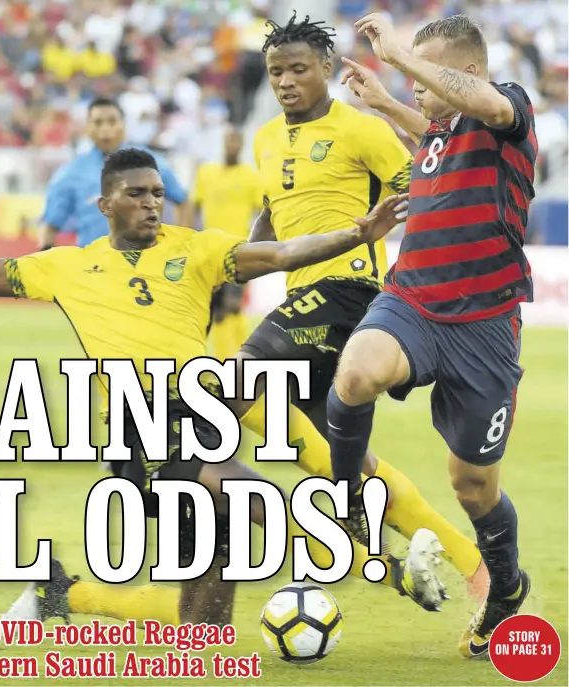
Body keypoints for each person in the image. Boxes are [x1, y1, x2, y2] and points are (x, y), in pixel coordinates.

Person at [0, 135, 444, 628]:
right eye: (136, 194)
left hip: (202, 421)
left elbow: (279, 254)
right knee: (247, 491)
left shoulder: (195, 249)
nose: (151, 203)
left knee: (204, 627)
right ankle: (393, 569)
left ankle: (57, 593)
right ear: (104, 206)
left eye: (158, 193)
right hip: (141, 426)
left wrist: (357, 233)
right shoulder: (67, 265)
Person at [226, 12, 488, 597]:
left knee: (232, 381)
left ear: (326, 69)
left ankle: (177, 468)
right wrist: (241, 257)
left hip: (347, 293)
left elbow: (426, 181)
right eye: (275, 73)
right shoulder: (266, 138)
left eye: (298, 69)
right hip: (300, 300)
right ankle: (433, 567)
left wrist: (408, 253)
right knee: (336, 452)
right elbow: (272, 213)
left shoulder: (362, 129)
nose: (286, 82)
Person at [327, 13, 536, 658]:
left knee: (472, 484)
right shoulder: (446, 132)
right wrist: (387, 101)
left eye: (424, 71)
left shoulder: (510, 111)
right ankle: (348, 504)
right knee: (356, 372)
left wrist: (394, 54)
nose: (413, 82)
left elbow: (482, 105)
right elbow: (435, 135)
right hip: (412, 300)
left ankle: (505, 589)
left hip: (484, 326)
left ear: (467, 70)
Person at [39, 97, 192, 250]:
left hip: (146, 264)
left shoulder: (149, 164)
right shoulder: (71, 173)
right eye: (98, 122)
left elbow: (183, 202)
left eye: (112, 122)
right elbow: (50, 226)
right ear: (88, 127)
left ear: (123, 125)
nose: (105, 128)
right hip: (95, 267)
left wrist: (180, 248)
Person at [189, 126, 263, 361]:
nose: (232, 145)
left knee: (233, 305)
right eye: (229, 140)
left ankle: (239, 356)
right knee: (216, 310)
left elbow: (264, 212)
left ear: (241, 145)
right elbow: (193, 207)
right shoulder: (207, 173)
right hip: (210, 252)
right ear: (222, 143)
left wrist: (257, 245)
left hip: (238, 250)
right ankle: (225, 360)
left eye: (236, 141)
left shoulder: (250, 176)